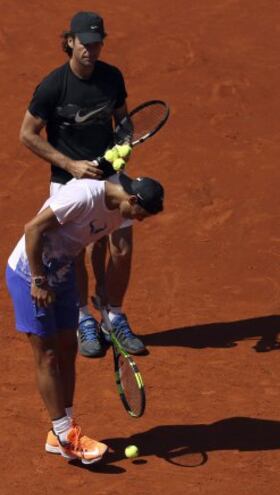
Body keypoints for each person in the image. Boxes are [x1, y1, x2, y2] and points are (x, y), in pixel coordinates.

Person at [6, 174, 164, 465]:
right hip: (32, 273)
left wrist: (101, 290)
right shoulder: (83, 196)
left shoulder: (120, 213)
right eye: (140, 215)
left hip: (64, 274)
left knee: (68, 348)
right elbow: (33, 229)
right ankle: (67, 437)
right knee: (48, 355)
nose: (139, 221)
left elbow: (97, 245)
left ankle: (60, 433)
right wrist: (39, 279)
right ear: (132, 200)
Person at [19, 11, 145, 358]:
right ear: (70, 42)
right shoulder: (53, 86)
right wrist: (70, 164)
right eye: (84, 43)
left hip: (108, 174)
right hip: (68, 181)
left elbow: (124, 121)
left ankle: (114, 317)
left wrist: (122, 146)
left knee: (122, 245)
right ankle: (82, 319)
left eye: (96, 43)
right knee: (75, 253)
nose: (90, 49)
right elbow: (27, 134)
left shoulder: (111, 78)